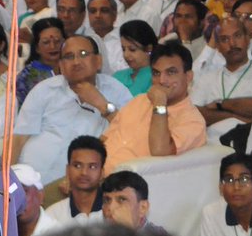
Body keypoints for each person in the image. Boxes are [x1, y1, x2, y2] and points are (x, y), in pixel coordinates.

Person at [13, 35, 133, 184]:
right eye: (69, 57)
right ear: (61, 66)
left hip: (75, 182)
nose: (76, 62)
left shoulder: (116, 91)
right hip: (26, 178)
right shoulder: (44, 89)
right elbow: (18, 139)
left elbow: (132, 133)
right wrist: (6, 179)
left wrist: (103, 105)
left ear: (98, 61)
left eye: (83, 54)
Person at [100, 41, 207, 174]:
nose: (162, 80)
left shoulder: (193, 121)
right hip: (95, 175)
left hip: (126, 186)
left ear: (189, 76)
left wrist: (160, 104)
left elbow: (159, 150)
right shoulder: (139, 101)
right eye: (156, 73)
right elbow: (105, 139)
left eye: (171, 72)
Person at [44, 136, 107, 225]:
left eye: (92, 167)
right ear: (67, 170)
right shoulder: (53, 215)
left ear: (102, 173)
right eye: (77, 165)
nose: (84, 172)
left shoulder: (115, 212)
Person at [100, 171, 171, 236]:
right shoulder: (98, 234)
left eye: (122, 199)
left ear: (143, 208)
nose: (111, 207)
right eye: (106, 200)